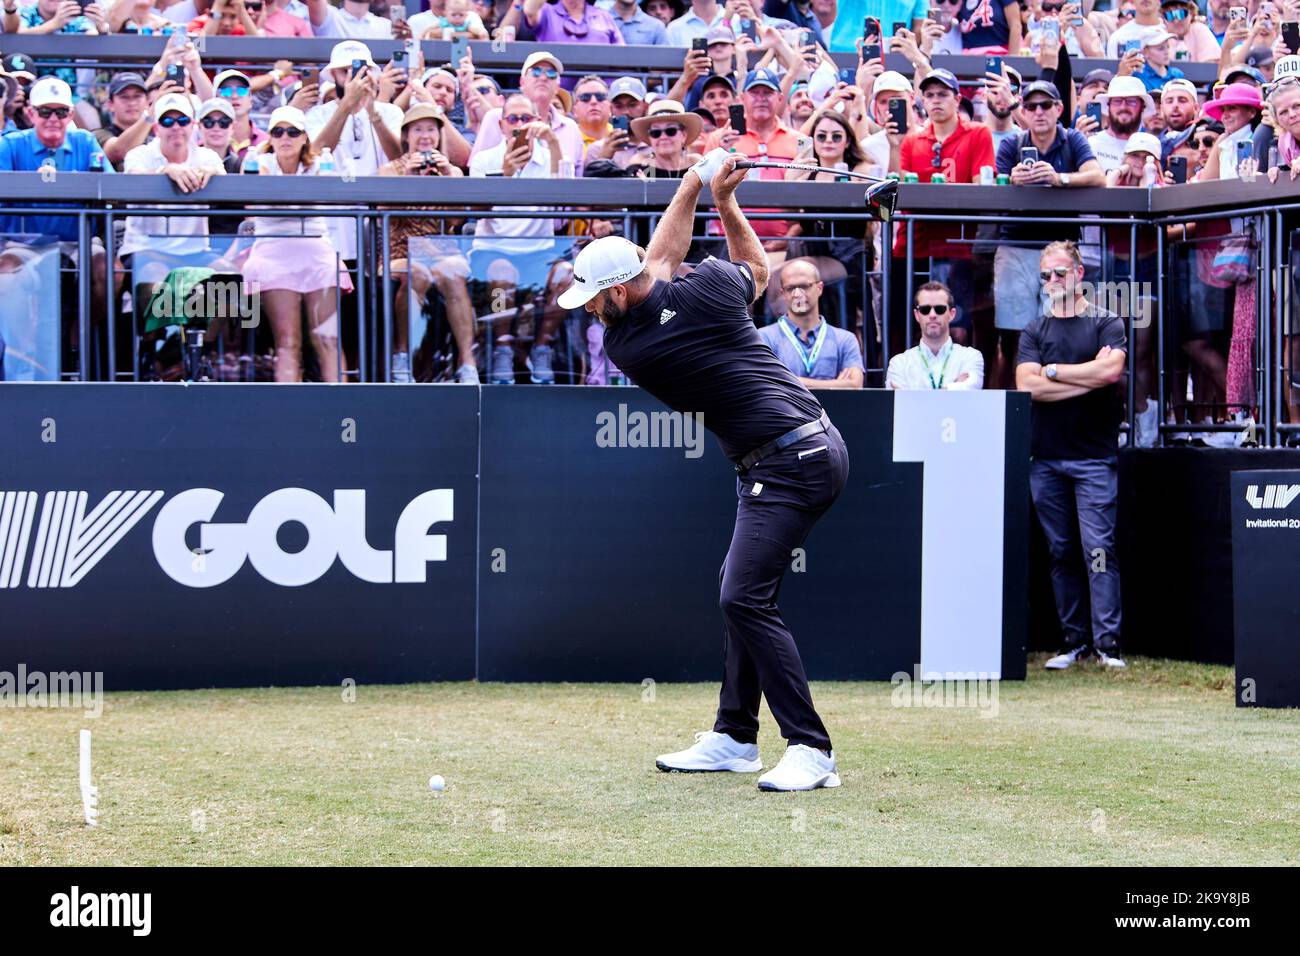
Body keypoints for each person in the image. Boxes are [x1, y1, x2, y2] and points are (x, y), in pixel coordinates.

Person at [558, 150, 849, 791]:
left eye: (591, 298)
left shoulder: (636, 330)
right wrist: (712, 194)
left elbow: (660, 258)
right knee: (743, 595)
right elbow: (745, 265)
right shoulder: (679, 308)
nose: (586, 310)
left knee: (740, 596)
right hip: (787, 455)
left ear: (617, 290)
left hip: (793, 457)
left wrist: (700, 187)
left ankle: (810, 747)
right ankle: (735, 736)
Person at [1016, 240, 1128, 670]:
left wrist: (1055, 372)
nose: (1051, 282)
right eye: (1045, 275)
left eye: (1059, 273)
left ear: (1079, 273)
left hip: (1093, 457)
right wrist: (1087, 379)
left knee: (1098, 549)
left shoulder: (1105, 322)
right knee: (1061, 550)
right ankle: (1074, 641)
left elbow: (1112, 371)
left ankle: (1108, 645)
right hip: (1045, 458)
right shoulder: (1034, 330)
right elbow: (1028, 386)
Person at [992, 80, 1104, 390]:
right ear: (1022, 112)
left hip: (1060, 247)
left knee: (1059, 326)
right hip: (1016, 244)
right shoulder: (1011, 144)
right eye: (1030, 106)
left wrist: (1059, 179)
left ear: (1059, 108)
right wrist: (1011, 178)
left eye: (1045, 105)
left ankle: (1052, 397)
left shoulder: (1073, 139)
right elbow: (997, 182)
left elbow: (1098, 176)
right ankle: (1015, 403)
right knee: (1012, 334)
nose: (1038, 112)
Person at [241, 106, 349, 383]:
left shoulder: (320, 163)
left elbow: (327, 200)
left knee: (327, 339)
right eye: (278, 131)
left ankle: (342, 409)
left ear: (304, 137)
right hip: (272, 251)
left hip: (315, 248)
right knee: (288, 342)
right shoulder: (256, 162)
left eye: (292, 131)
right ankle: (287, 415)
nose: (285, 137)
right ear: (271, 138)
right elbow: (251, 204)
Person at [469, 93, 568, 384]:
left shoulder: (549, 155)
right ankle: (503, 347)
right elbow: (474, 210)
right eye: (514, 119)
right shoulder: (484, 159)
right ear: (501, 125)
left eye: (527, 118)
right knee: (502, 275)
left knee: (568, 276)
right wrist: (505, 173)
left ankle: (541, 346)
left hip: (539, 253)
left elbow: (564, 197)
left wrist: (553, 143)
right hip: (493, 250)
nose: (520, 125)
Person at [377, 103, 477, 384]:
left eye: (430, 129)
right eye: (418, 129)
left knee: (454, 272)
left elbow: (457, 221)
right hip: (400, 248)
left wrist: (446, 178)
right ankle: (401, 356)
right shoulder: (390, 169)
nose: (424, 135)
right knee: (416, 273)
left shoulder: (452, 171)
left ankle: (466, 362)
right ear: (406, 135)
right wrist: (409, 177)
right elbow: (385, 212)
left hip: (440, 249)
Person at [119, 92, 226, 342]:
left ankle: (180, 359)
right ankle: (163, 358)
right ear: (156, 128)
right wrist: (165, 170)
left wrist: (212, 172)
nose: (176, 127)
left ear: (193, 126)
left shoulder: (207, 156)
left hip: (196, 251)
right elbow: (133, 175)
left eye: (182, 121)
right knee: (161, 290)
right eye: (167, 121)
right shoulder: (140, 154)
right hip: (147, 249)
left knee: (230, 286)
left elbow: (220, 172)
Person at [759, 259, 865, 388]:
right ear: (783, 294)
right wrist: (836, 384)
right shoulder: (763, 338)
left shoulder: (845, 339)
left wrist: (787, 381)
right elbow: (764, 384)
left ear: (820, 288)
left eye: (804, 286)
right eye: (790, 288)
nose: (797, 294)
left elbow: (855, 385)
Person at [886, 281, 984, 389]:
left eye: (939, 309)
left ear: (952, 314)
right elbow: (899, 402)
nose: (932, 315)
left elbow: (971, 389)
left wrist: (912, 396)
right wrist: (952, 388)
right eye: (925, 310)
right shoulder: (899, 364)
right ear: (917, 315)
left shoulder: (971, 357)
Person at [93, 72, 151, 171]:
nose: (132, 103)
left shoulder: (157, 135)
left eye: (137, 96)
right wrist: (150, 115)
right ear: (110, 104)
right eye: (124, 97)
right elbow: (118, 151)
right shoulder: (98, 135)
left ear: (147, 102)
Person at [523, 0, 625, 45]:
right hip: (557, 85)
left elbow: (623, 54)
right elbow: (529, 10)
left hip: (599, 85)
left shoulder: (603, 15)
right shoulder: (547, 12)